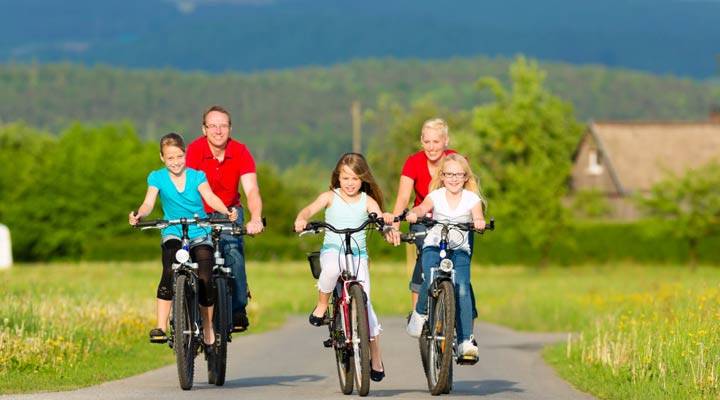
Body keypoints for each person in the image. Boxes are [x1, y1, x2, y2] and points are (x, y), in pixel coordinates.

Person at [128, 132, 238, 351]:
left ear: (185, 155)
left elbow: (210, 197)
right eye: (170, 158)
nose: (176, 162)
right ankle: (161, 326)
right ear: (162, 158)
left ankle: (207, 325)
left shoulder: (197, 176)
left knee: (205, 276)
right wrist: (139, 214)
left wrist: (226, 211)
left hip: (199, 230)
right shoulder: (157, 177)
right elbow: (148, 203)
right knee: (169, 270)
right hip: (173, 230)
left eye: (179, 156)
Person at [294, 153, 393, 382]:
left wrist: (387, 226)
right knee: (330, 270)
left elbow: (378, 218)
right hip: (333, 250)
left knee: (367, 307)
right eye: (345, 178)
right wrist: (301, 219)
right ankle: (321, 305)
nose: (350, 183)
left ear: (363, 179)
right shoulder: (330, 196)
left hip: (358, 256)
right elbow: (308, 210)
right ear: (338, 177)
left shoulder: (367, 200)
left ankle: (376, 358)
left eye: (355, 178)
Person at [186, 105, 264, 333]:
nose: (218, 131)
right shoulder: (194, 150)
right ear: (204, 129)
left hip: (229, 212)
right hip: (198, 212)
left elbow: (252, 190)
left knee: (233, 254)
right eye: (213, 126)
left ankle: (238, 308)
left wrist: (256, 218)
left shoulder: (240, 151)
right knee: (191, 258)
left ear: (230, 128)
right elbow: (186, 186)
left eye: (223, 126)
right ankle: (187, 305)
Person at [404, 153, 486, 358]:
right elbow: (422, 208)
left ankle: (465, 341)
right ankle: (420, 314)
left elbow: (478, 215)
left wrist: (479, 222)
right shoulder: (436, 196)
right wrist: (415, 213)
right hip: (434, 245)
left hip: (459, 250)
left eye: (458, 174)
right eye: (449, 174)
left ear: (466, 177)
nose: (453, 179)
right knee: (430, 275)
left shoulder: (472, 199)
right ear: (442, 176)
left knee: (463, 288)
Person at [388, 118, 458, 310]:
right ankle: (418, 315)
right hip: (422, 220)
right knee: (426, 255)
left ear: (446, 141)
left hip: (452, 218)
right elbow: (403, 198)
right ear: (421, 141)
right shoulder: (414, 162)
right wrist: (394, 227)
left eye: (436, 141)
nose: (431, 147)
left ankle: (457, 312)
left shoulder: (456, 160)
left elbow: (469, 191)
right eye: (427, 141)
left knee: (458, 262)